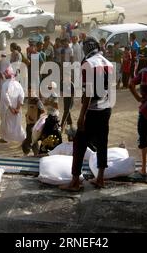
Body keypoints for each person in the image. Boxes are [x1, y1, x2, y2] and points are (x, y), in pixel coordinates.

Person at [60, 37, 113, 191]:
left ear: (87, 49)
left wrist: (82, 116)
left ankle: (75, 181)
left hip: (92, 111)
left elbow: (88, 93)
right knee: (102, 142)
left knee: (79, 143)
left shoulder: (88, 64)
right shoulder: (108, 63)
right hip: (106, 109)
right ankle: (100, 179)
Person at [0, 67, 26, 144]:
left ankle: (23, 139)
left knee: (8, 123)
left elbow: (5, 97)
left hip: (8, 109)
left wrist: (11, 108)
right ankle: (5, 138)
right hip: (16, 109)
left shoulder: (5, 85)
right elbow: (22, 96)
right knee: (16, 123)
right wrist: (18, 108)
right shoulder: (17, 84)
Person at [21, 90, 45, 156]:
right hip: (28, 122)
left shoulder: (37, 101)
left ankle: (35, 153)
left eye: (30, 93)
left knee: (33, 138)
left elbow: (43, 110)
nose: (29, 94)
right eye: (28, 93)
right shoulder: (29, 100)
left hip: (34, 123)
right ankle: (27, 151)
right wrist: (27, 114)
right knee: (29, 137)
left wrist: (36, 117)